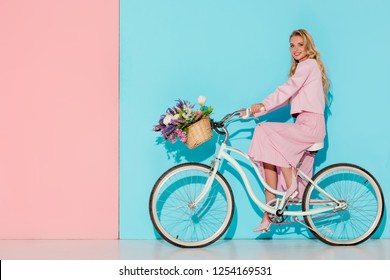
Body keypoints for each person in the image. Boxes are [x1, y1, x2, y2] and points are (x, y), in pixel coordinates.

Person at [246, 29, 330, 233]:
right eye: (292, 45)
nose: (295, 49)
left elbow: (286, 90)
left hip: (310, 126)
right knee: (268, 156)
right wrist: (254, 110)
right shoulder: (302, 69)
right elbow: (286, 98)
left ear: (308, 46)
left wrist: (262, 105)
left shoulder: (308, 65)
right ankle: (269, 213)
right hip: (302, 124)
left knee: (265, 130)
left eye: (300, 44)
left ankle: (291, 185)